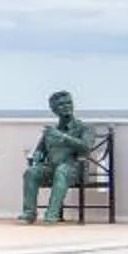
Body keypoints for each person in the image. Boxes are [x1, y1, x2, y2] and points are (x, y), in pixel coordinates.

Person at [20, 91, 100, 223]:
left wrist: (62, 136)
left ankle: (52, 214)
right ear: (54, 109)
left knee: (62, 170)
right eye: (61, 104)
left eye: (69, 103)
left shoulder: (85, 128)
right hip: (51, 168)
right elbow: (40, 151)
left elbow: (86, 147)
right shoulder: (50, 131)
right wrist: (38, 155)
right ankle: (29, 213)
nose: (66, 106)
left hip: (75, 168)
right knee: (31, 172)